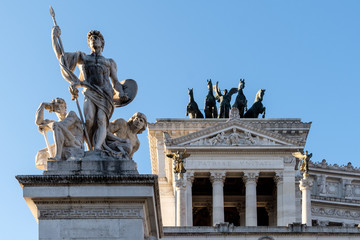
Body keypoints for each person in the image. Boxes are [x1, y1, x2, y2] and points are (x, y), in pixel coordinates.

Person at [51, 26, 129, 150]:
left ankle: (98, 147)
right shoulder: (83, 58)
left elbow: (116, 82)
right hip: (89, 91)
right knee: (89, 120)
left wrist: (121, 93)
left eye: (96, 38)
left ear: (102, 43)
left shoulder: (109, 62)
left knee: (101, 120)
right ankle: (90, 148)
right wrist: (54, 37)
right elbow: (62, 58)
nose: (93, 40)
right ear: (89, 43)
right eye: (91, 39)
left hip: (105, 94)